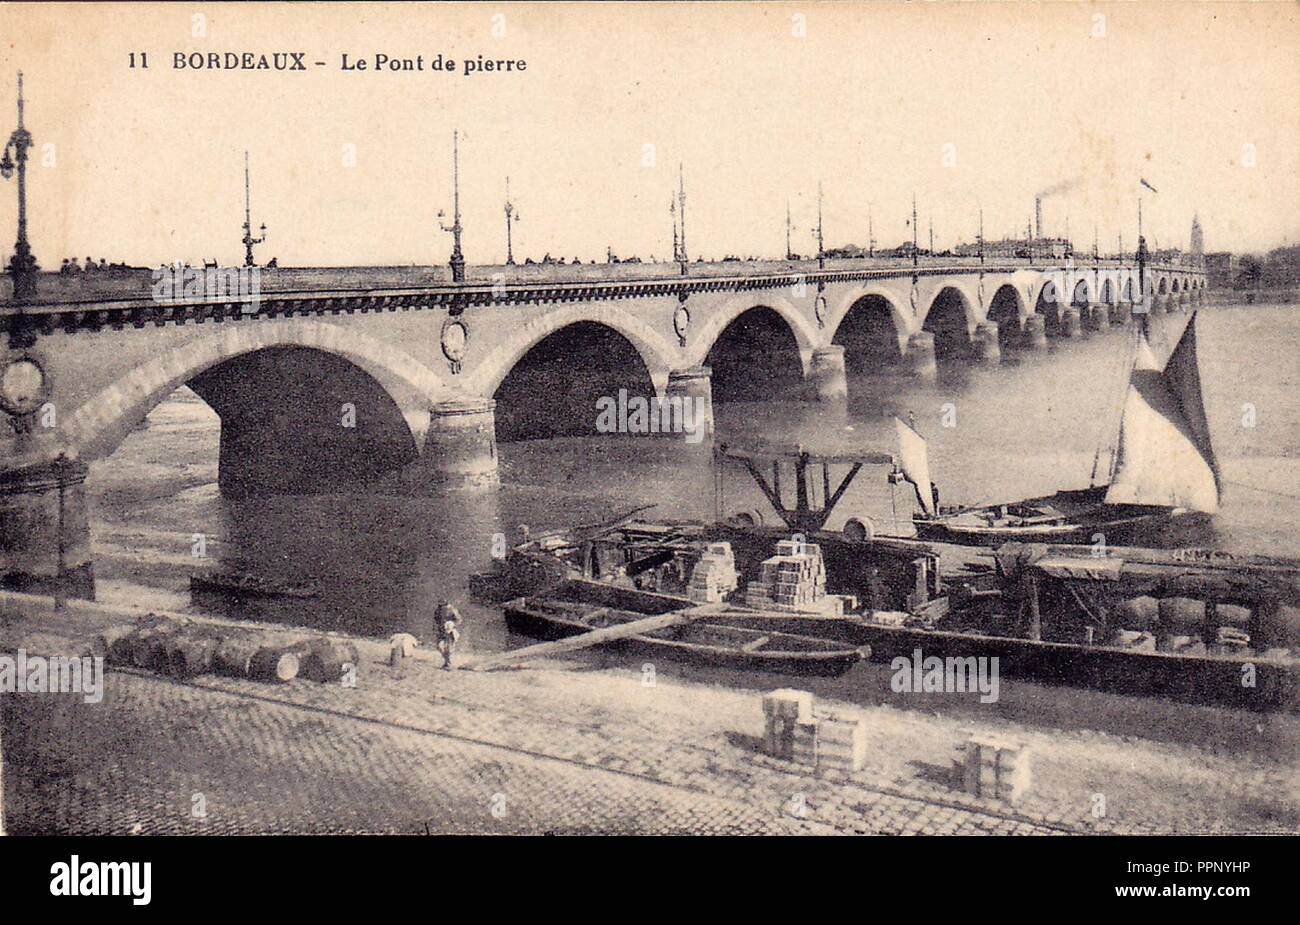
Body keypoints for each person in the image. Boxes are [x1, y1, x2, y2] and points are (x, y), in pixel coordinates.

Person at [434, 600, 462, 670]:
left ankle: (448, 663)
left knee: (449, 648)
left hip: (450, 632)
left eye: (442, 605)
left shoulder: (452, 610)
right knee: (440, 647)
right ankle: (447, 661)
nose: (441, 607)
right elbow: (436, 620)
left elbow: (459, 620)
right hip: (441, 631)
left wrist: (452, 624)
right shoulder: (438, 610)